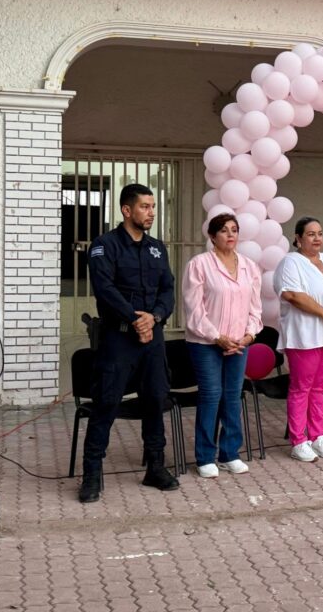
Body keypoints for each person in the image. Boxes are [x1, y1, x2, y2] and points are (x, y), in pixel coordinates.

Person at [79, 184, 178, 503]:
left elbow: (168, 289)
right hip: (119, 338)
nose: (151, 212)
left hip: (152, 337)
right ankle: (91, 475)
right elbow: (105, 289)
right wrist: (136, 320)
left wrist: (155, 317)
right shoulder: (105, 246)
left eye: (153, 207)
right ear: (126, 210)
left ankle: (156, 467)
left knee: (155, 399)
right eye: (145, 207)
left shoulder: (157, 248)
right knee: (107, 402)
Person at [182, 213, 263, 478]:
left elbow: (255, 308)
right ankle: (205, 457)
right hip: (206, 342)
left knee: (232, 395)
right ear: (212, 236)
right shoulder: (199, 265)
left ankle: (229, 454)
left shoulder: (249, 267)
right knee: (211, 394)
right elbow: (194, 310)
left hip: (239, 343)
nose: (230, 235)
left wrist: (249, 335)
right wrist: (217, 337)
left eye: (234, 230)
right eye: (224, 230)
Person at [273, 216, 323, 462]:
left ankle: (318, 436)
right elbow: (293, 295)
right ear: (298, 238)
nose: (317, 238)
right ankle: (299, 440)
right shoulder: (291, 262)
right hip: (304, 336)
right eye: (310, 234)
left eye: (319, 233)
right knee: (302, 387)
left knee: (321, 386)